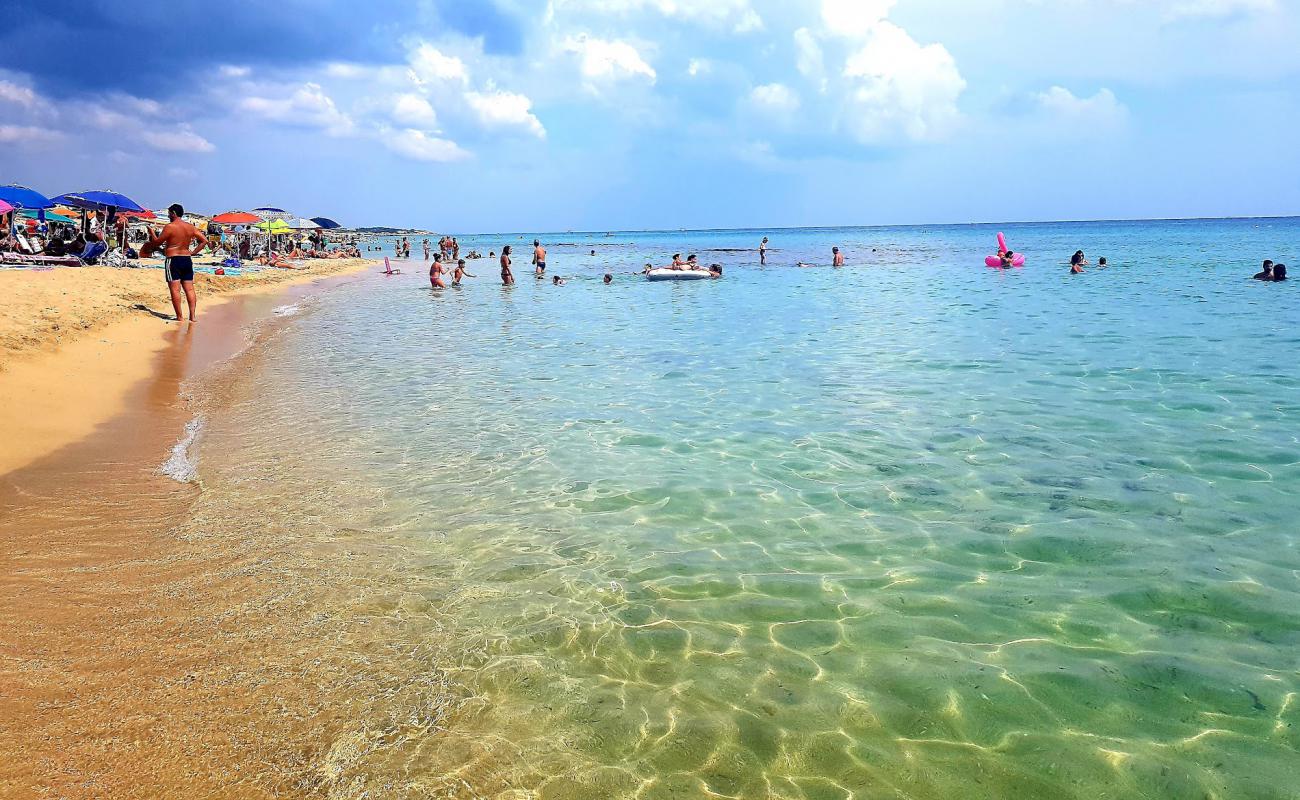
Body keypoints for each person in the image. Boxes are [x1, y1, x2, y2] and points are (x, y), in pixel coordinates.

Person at [141, 203, 208, 322]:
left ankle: (180, 317)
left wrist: (151, 232)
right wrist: (193, 252)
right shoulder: (190, 227)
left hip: (173, 260)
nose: (168, 216)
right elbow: (204, 241)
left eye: (169, 213)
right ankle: (192, 317)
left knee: (175, 290)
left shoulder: (170, 227)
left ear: (174, 213)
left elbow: (157, 243)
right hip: (187, 259)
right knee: (190, 289)